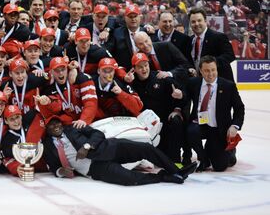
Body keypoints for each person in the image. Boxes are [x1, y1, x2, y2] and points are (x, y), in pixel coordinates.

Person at [42, 116, 197, 185]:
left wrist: (87, 146)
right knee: (129, 178)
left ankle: (177, 170)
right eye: (52, 125)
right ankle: (164, 177)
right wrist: (61, 172)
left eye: (58, 123)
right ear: (47, 130)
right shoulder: (48, 145)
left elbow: (98, 134)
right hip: (94, 168)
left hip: (110, 148)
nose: (56, 127)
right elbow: (54, 166)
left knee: (146, 148)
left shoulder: (73, 128)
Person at [184, 55, 245, 172]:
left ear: (217, 69)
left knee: (220, 166)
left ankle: (230, 153)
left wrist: (234, 125)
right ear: (200, 71)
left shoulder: (228, 86)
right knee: (191, 131)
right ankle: (204, 158)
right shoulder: (193, 83)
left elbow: (239, 108)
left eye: (213, 70)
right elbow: (184, 99)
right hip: (200, 124)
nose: (210, 74)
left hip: (218, 128)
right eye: (206, 71)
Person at [129, 53, 187, 164]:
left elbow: (183, 94)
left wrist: (180, 96)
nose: (144, 69)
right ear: (134, 69)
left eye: (146, 65)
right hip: (145, 126)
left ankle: (177, 162)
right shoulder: (132, 83)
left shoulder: (160, 77)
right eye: (140, 67)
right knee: (157, 160)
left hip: (164, 122)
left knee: (176, 121)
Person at [39, 57, 97, 127]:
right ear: (51, 72)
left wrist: (84, 119)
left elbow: (90, 102)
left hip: (91, 121)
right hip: (70, 127)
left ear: (67, 68)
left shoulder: (82, 78)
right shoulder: (48, 89)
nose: (60, 73)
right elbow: (54, 113)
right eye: (57, 70)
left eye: (63, 69)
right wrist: (46, 103)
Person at [188, 7, 235, 81]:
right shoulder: (189, 40)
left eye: (199, 20)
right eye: (193, 22)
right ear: (190, 24)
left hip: (219, 84)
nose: (196, 24)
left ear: (205, 21)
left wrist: (210, 63)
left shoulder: (219, 37)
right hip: (198, 84)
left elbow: (230, 56)